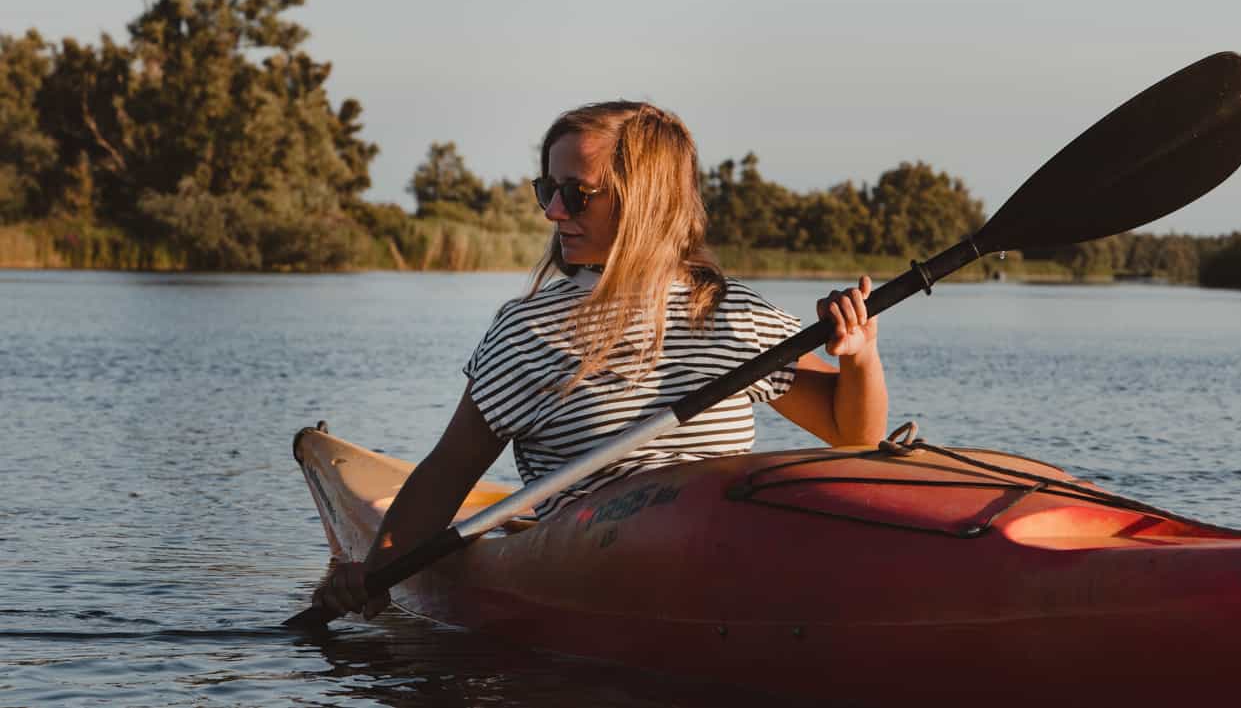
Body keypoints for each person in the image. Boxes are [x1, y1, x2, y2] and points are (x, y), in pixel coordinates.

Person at [314, 101, 887, 619]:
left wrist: (860, 356)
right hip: (592, 560)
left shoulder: (731, 313)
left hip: (722, 544)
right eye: (548, 190)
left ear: (647, 202)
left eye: (576, 194)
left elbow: (851, 434)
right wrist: (377, 569)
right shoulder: (528, 330)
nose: (552, 212)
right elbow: (448, 472)